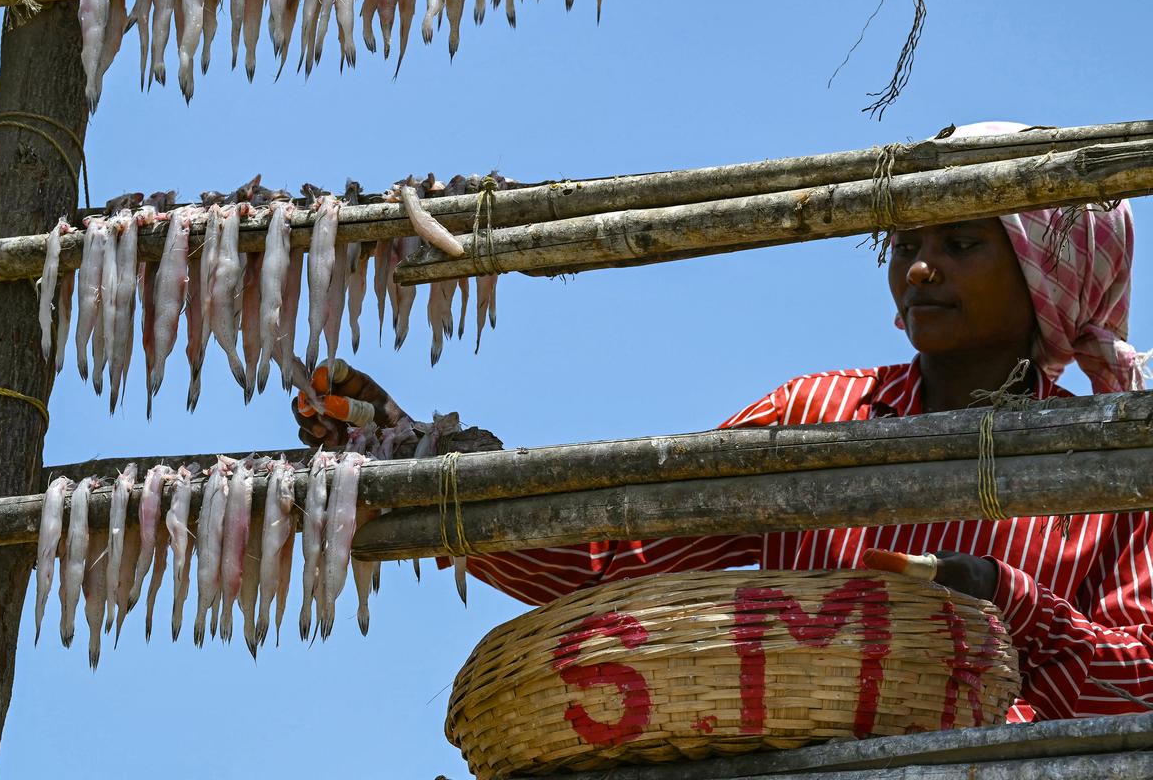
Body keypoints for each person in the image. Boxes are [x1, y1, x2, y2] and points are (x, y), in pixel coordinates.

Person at [294, 122, 1151, 722]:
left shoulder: (1116, 472)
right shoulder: (814, 416)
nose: (920, 269)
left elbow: (1135, 682)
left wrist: (1003, 598)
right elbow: (618, 562)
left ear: (1050, 276)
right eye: (903, 244)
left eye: (962, 244)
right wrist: (422, 466)